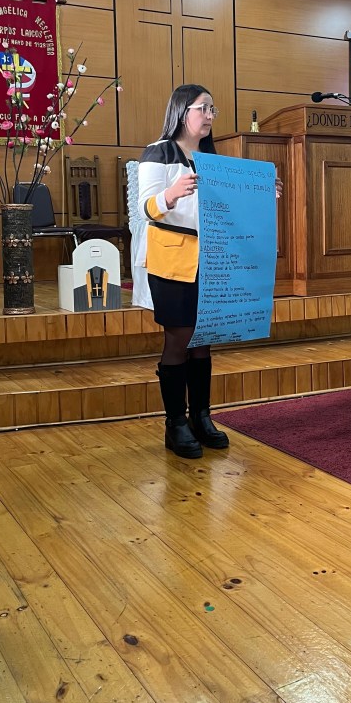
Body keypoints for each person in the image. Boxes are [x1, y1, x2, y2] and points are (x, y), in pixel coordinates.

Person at [138, 84, 230, 459]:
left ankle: (201, 417)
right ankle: (175, 423)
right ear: (181, 111)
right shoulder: (159, 152)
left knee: (203, 338)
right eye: (203, 108)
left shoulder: (212, 158)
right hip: (171, 259)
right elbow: (146, 208)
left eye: (212, 109)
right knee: (179, 337)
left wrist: (259, 194)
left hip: (210, 258)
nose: (209, 116)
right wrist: (171, 194)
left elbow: (227, 207)